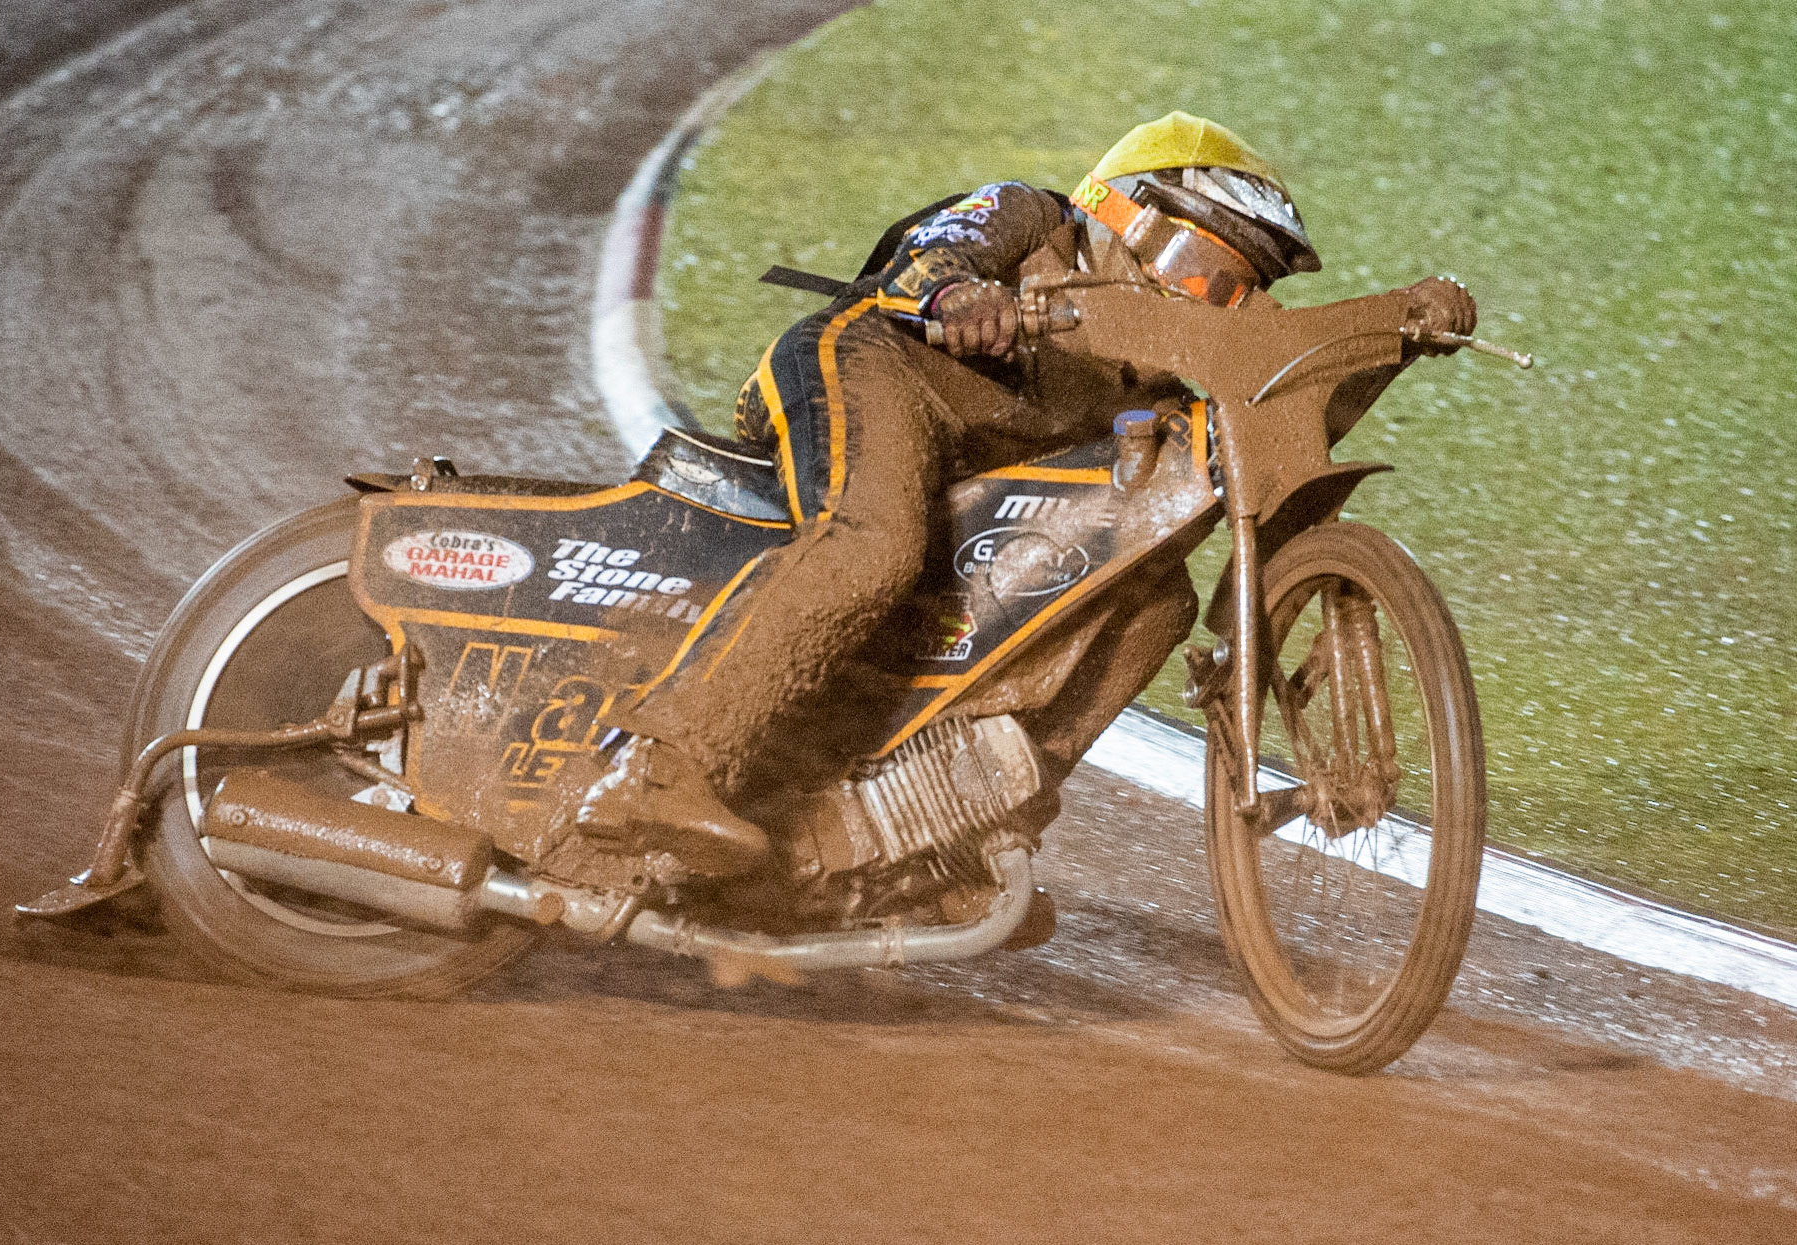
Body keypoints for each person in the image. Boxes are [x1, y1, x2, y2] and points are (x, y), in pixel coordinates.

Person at [576, 111, 1477, 876]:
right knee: (875, 542)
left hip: (973, 469)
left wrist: (1398, 321)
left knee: (1154, 598)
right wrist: (966, 294)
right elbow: (931, 257)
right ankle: (660, 762)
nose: (1217, 307)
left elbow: (1285, 373)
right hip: (871, 364)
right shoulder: (1029, 213)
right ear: (1123, 214)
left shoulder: (1154, 380)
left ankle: (960, 819)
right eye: (1208, 272)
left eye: (1240, 297)